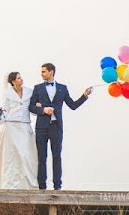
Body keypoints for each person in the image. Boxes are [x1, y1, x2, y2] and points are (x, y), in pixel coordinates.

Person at [28, 62, 92, 190]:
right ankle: (42, 187)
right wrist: (43, 110)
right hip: (41, 127)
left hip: (56, 127)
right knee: (42, 157)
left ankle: (57, 186)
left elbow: (72, 105)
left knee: (56, 156)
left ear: (51, 72)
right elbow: (31, 107)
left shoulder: (63, 88)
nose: (41, 74)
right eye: (41, 72)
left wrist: (84, 96)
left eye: (43, 71)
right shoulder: (37, 88)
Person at [0, 71, 38, 189]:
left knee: (26, 154)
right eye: (18, 78)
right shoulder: (8, 93)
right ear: (13, 81)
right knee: (12, 156)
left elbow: (31, 109)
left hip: (25, 126)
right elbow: (5, 111)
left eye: (21, 77)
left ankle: (27, 184)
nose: (21, 79)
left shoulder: (29, 92)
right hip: (11, 127)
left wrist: (38, 108)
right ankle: (10, 184)